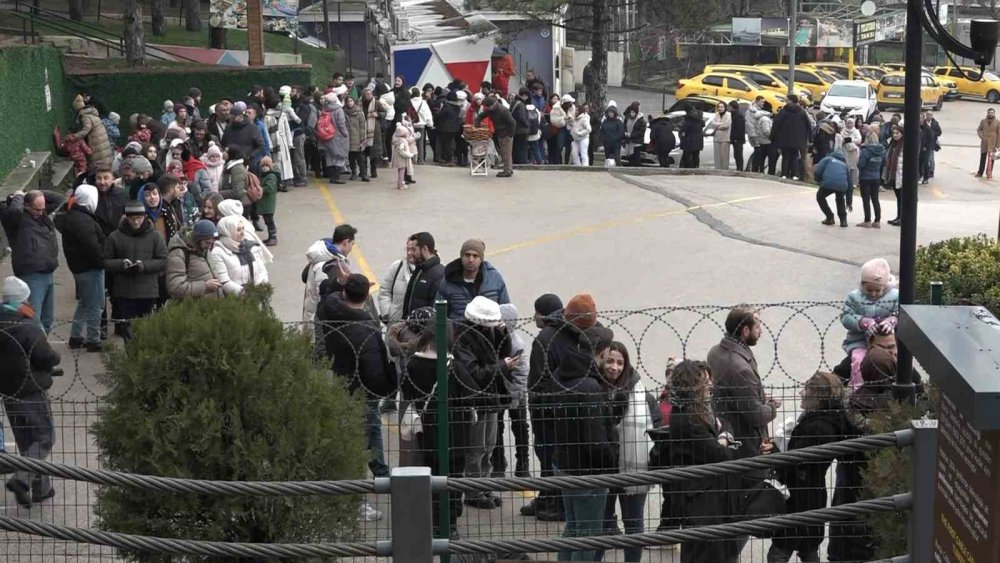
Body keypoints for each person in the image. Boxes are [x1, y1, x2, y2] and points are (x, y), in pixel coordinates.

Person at [550, 294, 618, 561]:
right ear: (599, 353)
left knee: (574, 529)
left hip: (565, 464)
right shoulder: (590, 387)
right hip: (587, 472)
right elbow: (595, 441)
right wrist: (613, 460)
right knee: (588, 538)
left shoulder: (562, 376)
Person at [318, 273, 395, 499]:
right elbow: (373, 369)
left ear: (344, 293)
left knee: (356, 430)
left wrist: (338, 282)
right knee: (369, 430)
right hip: (362, 387)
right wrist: (385, 388)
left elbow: (328, 295)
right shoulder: (365, 328)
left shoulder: (330, 311)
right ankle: (376, 475)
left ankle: (375, 471)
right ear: (366, 295)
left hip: (341, 379)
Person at [768, 372, 857, 563]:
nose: (801, 392)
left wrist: (774, 455)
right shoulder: (828, 419)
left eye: (806, 389)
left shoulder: (818, 428)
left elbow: (796, 463)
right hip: (813, 495)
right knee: (808, 548)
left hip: (798, 498)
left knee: (779, 552)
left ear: (819, 396)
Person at [668, 360, 740, 563]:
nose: (710, 385)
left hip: (710, 495)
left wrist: (723, 436)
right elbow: (721, 455)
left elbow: (725, 423)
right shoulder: (687, 418)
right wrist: (725, 439)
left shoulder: (699, 410)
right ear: (691, 386)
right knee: (704, 554)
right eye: (704, 382)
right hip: (699, 500)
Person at [0, 276, 59, 509]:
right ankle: (23, 479)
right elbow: (45, 355)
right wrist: (55, 359)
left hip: (8, 392)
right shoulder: (26, 323)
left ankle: (41, 489)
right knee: (44, 438)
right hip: (31, 391)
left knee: (27, 441)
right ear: (24, 299)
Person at [454, 296, 514, 510]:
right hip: (478, 400)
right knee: (476, 447)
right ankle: (473, 490)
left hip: (491, 398)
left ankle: (484, 486)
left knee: (489, 445)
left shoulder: (489, 332)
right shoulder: (464, 339)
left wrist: (503, 333)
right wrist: (502, 366)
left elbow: (504, 351)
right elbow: (475, 373)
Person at [596, 341, 652, 563]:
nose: (614, 367)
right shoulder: (593, 388)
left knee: (634, 523)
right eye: (610, 361)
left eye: (620, 362)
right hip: (604, 467)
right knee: (602, 523)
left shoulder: (638, 390)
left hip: (634, 467)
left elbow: (654, 422)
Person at [707, 306, 778, 466]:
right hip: (746, 447)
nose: (760, 332)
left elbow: (734, 394)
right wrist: (772, 406)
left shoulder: (714, 353)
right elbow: (756, 415)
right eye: (758, 327)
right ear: (745, 331)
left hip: (726, 434)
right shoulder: (741, 368)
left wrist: (761, 398)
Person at [103, 201, 168, 340]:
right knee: (128, 331)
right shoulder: (115, 237)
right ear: (126, 218)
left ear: (145, 217)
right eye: (133, 219)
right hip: (124, 292)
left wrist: (143, 266)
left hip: (148, 293)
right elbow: (106, 262)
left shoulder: (155, 237)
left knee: (145, 330)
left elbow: (163, 261)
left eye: (139, 218)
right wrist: (121, 264)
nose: (136, 221)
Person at [1, 190, 63, 334]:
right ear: (26, 206)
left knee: (47, 319)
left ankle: (41, 349)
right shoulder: (14, 218)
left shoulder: (39, 214)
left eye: (43, 209)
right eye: (37, 209)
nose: (41, 212)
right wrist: (19, 195)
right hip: (31, 274)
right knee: (34, 318)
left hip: (48, 271)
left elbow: (59, 198)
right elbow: (15, 211)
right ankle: (33, 350)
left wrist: (35, 192)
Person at [54, 185, 107, 352]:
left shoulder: (74, 216)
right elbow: (92, 247)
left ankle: (76, 336)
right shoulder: (83, 220)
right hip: (90, 268)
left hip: (79, 267)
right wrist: (104, 261)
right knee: (96, 304)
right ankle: (93, 340)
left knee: (84, 302)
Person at [835, 257, 899, 388]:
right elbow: (846, 316)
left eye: (878, 290)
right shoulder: (854, 297)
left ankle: (888, 391)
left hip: (886, 343)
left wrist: (892, 320)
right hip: (860, 341)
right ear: (862, 284)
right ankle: (859, 391)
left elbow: (901, 313)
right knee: (858, 361)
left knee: (891, 364)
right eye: (869, 290)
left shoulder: (895, 296)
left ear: (885, 286)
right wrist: (863, 322)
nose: (873, 294)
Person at [490, 303, 531, 479]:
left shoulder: (516, 344)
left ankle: (523, 464)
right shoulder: (492, 338)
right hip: (498, 389)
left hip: (514, 389)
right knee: (496, 427)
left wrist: (515, 398)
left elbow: (521, 374)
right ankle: (499, 463)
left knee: (520, 425)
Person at [436, 239, 511, 320]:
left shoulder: (495, 279)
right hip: (460, 331)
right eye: (467, 255)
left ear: (481, 259)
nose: (471, 260)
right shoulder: (448, 282)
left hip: (489, 331)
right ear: (461, 256)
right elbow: (439, 316)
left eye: (475, 256)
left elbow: (505, 310)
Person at [301, 224, 356, 334]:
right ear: (345, 242)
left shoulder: (327, 257)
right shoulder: (326, 267)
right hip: (320, 326)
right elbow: (325, 297)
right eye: (352, 244)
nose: (352, 248)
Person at [208, 215, 269, 296]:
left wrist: (258, 290)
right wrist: (245, 294)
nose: (242, 233)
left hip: (255, 297)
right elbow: (224, 282)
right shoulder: (218, 252)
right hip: (233, 301)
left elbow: (262, 272)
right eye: (238, 230)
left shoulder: (251, 247)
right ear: (228, 231)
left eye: (243, 228)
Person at [165, 220, 223, 300]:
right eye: (207, 243)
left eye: (211, 243)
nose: (209, 247)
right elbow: (175, 288)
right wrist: (205, 286)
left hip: (212, 306)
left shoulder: (204, 249)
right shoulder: (178, 253)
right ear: (197, 240)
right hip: (193, 309)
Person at [401, 232, 445, 318]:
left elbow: (435, 309)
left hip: (424, 329)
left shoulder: (439, 274)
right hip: (412, 325)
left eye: (414, 250)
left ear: (424, 249)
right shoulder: (420, 269)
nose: (410, 253)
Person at [378, 236, 417, 324]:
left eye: (413, 249)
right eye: (408, 249)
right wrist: (387, 314)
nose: (409, 253)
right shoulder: (397, 267)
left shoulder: (432, 271)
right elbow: (384, 291)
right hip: (395, 325)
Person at [771, 96, 811, 180]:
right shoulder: (802, 112)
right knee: (795, 156)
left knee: (785, 156)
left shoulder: (783, 112)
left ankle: (784, 174)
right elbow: (809, 126)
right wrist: (810, 138)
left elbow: (776, 125)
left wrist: (772, 137)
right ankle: (794, 175)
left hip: (784, 139)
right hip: (798, 140)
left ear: (790, 101)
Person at [70, 94, 113, 169]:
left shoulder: (85, 116)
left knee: (98, 165)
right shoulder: (91, 112)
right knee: (105, 161)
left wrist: (74, 136)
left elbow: (86, 130)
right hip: (101, 140)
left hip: (96, 141)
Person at [477, 96, 516, 177]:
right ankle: (509, 169)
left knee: (506, 152)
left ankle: (507, 171)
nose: (486, 108)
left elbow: (512, 123)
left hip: (506, 133)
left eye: (487, 106)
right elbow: (481, 116)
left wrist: (510, 134)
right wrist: (476, 124)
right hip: (500, 132)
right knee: (505, 152)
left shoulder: (503, 110)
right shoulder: (491, 110)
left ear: (492, 104)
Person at [813, 149, 851, 227]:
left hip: (828, 182)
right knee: (840, 200)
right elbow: (850, 183)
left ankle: (830, 217)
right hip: (842, 185)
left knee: (820, 196)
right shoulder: (845, 165)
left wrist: (818, 180)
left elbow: (817, 171)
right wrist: (849, 201)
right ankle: (843, 221)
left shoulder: (827, 159)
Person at [319, 90, 350, 184]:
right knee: (339, 156)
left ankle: (331, 176)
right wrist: (346, 134)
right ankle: (336, 177)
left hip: (326, 135)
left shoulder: (324, 109)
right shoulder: (338, 110)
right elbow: (341, 124)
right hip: (337, 135)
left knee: (329, 156)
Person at [221, 102, 265, 166]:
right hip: (230, 162)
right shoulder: (228, 128)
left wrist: (250, 157)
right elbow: (224, 143)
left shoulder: (252, 128)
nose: (230, 120)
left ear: (239, 116)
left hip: (247, 162)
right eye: (230, 117)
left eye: (232, 117)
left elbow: (261, 145)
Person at [857, 131, 885, 228]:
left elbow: (860, 165)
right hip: (876, 176)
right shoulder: (882, 150)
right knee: (875, 199)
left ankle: (867, 220)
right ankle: (877, 221)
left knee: (866, 199)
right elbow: (884, 163)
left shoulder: (866, 151)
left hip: (865, 177)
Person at [344, 96, 370, 182]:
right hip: (348, 139)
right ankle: (354, 173)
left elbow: (362, 126)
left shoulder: (359, 112)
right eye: (348, 101)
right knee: (351, 158)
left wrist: (363, 138)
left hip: (357, 138)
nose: (349, 103)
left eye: (351, 101)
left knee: (360, 158)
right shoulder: (344, 112)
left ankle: (363, 174)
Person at [883, 127, 904, 226]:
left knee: (902, 197)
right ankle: (899, 216)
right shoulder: (892, 144)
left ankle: (902, 218)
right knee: (898, 197)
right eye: (894, 133)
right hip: (893, 174)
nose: (895, 135)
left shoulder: (904, 145)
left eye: (897, 133)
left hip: (901, 174)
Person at [390, 122, 416, 190]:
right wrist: (409, 155)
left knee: (400, 172)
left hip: (399, 159)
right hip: (402, 159)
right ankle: (401, 184)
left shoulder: (398, 139)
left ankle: (400, 183)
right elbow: (401, 151)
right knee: (402, 172)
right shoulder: (401, 141)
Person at [545, 94, 568, 165]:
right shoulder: (548, 107)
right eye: (554, 98)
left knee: (558, 147)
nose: (555, 100)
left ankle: (558, 161)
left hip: (558, 130)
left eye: (557, 99)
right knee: (550, 147)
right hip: (550, 130)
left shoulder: (560, 108)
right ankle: (551, 161)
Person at [977, 107, 1000, 178]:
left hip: (993, 144)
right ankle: (980, 172)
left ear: (994, 114)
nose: (990, 114)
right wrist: (982, 137)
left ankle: (989, 173)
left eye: (992, 113)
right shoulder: (983, 121)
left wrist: (998, 145)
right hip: (984, 143)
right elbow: (979, 130)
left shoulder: (998, 122)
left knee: (991, 160)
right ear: (987, 113)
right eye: (989, 113)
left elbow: (999, 134)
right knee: (983, 158)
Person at [511, 88, 532, 164]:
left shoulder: (514, 103)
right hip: (522, 130)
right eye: (527, 96)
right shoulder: (521, 105)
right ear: (524, 95)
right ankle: (522, 161)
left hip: (515, 129)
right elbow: (522, 117)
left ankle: (516, 161)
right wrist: (528, 124)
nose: (527, 98)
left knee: (516, 146)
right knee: (522, 147)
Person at [623, 102, 647, 167]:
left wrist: (631, 135)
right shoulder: (627, 118)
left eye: (633, 112)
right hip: (629, 141)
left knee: (636, 158)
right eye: (631, 112)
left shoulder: (641, 121)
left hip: (637, 142)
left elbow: (641, 132)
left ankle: (637, 170)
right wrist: (625, 133)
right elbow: (624, 126)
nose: (632, 114)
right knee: (630, 158)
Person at [569, 102, 593, 167]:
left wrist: (580, 133)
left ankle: (585, 166)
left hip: (584, 138)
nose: (576, 112)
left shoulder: (584, 119)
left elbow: (589, 129)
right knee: (574, 153)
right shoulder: (573, 119)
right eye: (575, 110)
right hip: (576, 139)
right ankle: (578, 166)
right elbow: (570, 128)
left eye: (577, 110)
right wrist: (569, 124)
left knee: (583, 153)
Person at [711, 102, 732, 170]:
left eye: (722, 107)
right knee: (717, 156)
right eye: (719, 107)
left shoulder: (728, 115)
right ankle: (717, 169)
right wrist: (720, 124)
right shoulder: (716, 114)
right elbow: (712, 123)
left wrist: (717, 126)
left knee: (724, 156)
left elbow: (726, 125)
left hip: (725, 138)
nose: (720, 108)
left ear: (725, 107)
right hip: (716, 138)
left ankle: (724, 170)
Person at [919, 112, 936, 185]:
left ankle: (926, 177)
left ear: (923, 119)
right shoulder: (915, 127)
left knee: (925, 163)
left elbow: (930, 139)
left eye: (920, 118)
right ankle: (919, 176)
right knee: (918, 163)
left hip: (925, 149)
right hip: (918, 149)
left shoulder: (927, 128)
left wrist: (926, 147)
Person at [729, 100, 746, 172]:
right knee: (736, 154)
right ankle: (738, 168)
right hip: (736, 139)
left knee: (738, 154)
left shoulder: (738, 115)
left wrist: (735, 138)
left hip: (738, 139)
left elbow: (739, 128)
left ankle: (740, 168)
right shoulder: (735, 114)